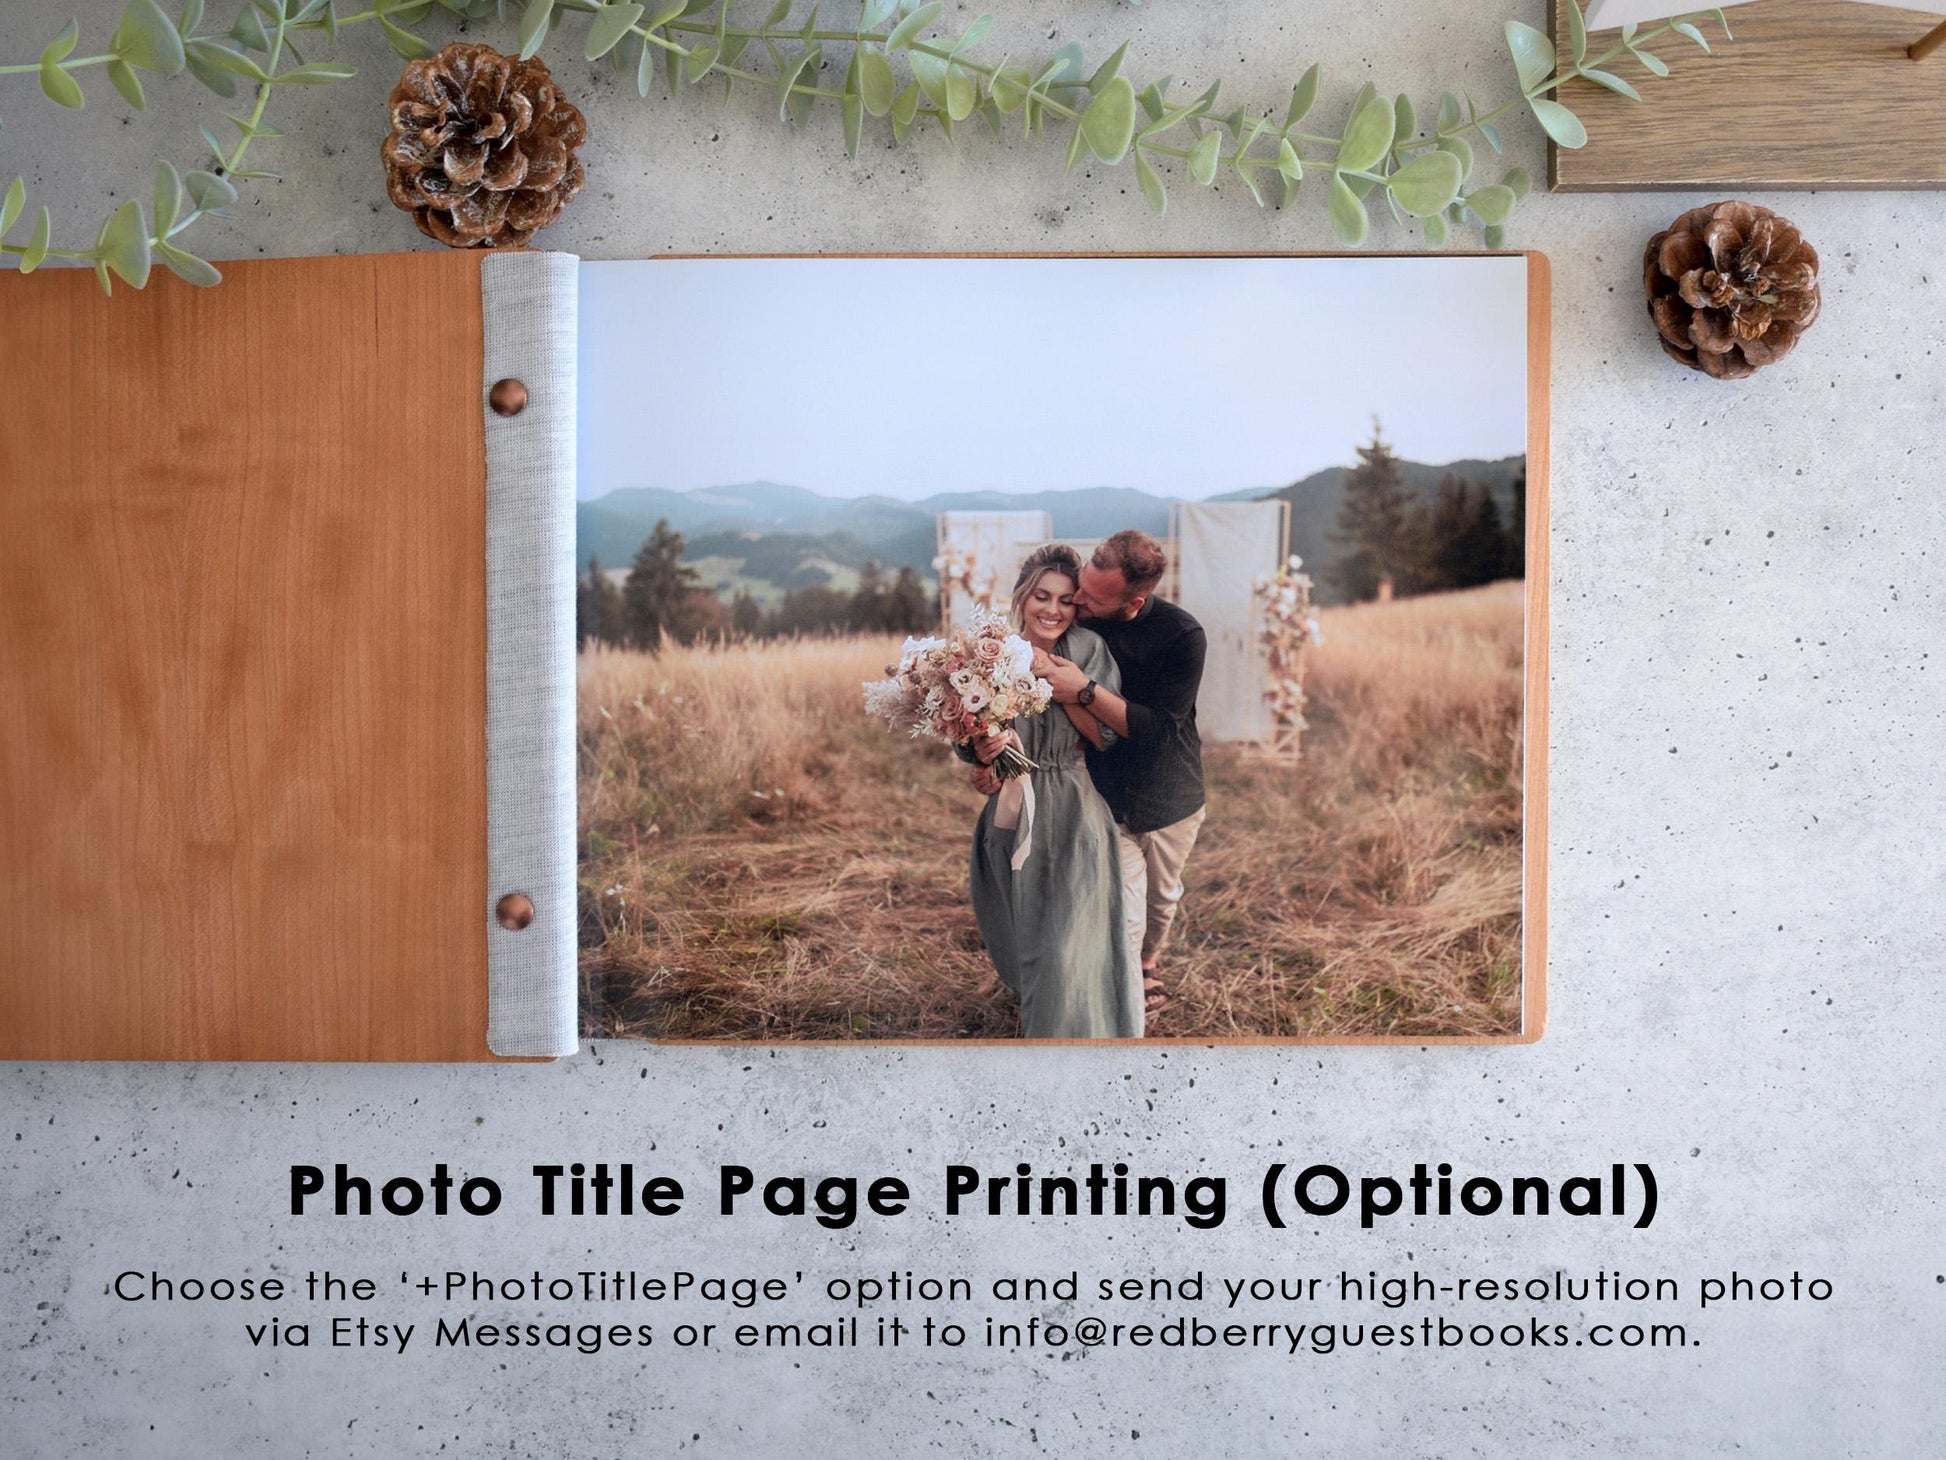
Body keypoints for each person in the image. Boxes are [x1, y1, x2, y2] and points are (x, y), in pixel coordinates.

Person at [1013, 529, 1207, 1016]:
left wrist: (1081, 691)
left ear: (1134, 603)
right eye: (1080, 586)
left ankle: (1148, 962)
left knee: (1162, 901)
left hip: (1170, 798)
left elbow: (1160, 730)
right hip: (1105, 795)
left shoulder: (1183, 637)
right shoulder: (1081, 623)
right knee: (1122, 909)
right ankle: (1119, 1000)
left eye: (1091, 597)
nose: (1076, 600)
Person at [963, 545, 1143, 1039]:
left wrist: (1058, 683)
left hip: (1073, 808)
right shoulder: (989, 654)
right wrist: (984, 755)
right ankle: (1044, 1030)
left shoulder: (1087, 650)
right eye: (1042, 596)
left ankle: (1086, 1043)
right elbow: (973, 752)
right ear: (1023, 596)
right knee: (1027, 944)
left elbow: (1105, 735)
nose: (1053, 610)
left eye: (1066, 600)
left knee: (1072, 942)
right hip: (1012, 813)